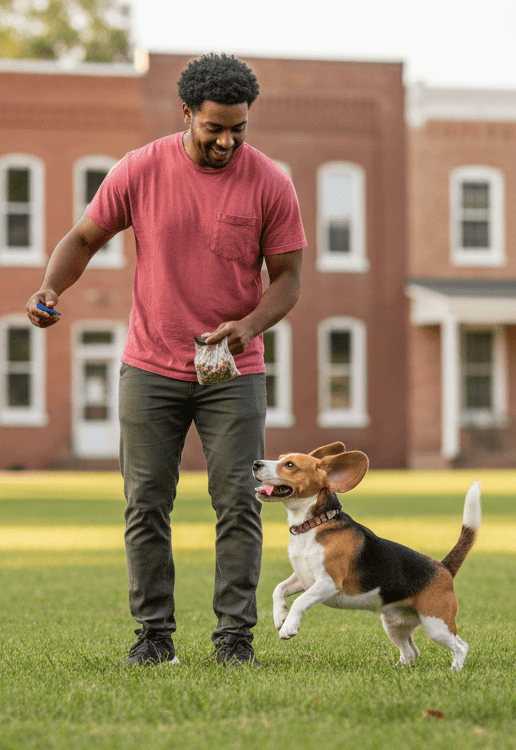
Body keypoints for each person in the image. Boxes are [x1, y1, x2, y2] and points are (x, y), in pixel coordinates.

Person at [26, 53, 306, 666]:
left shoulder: (270, 182)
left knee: (238, 500)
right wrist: (51, 288)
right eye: (215, 128)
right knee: (146, 501)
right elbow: (83, 238)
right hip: (150, 366)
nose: (228, 141)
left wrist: (251, 325)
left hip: (233, 371)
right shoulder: (141, 170)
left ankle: (234, 640)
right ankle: (153, 638)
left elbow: (287, 278)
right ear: (186, 114)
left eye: (239, 128)